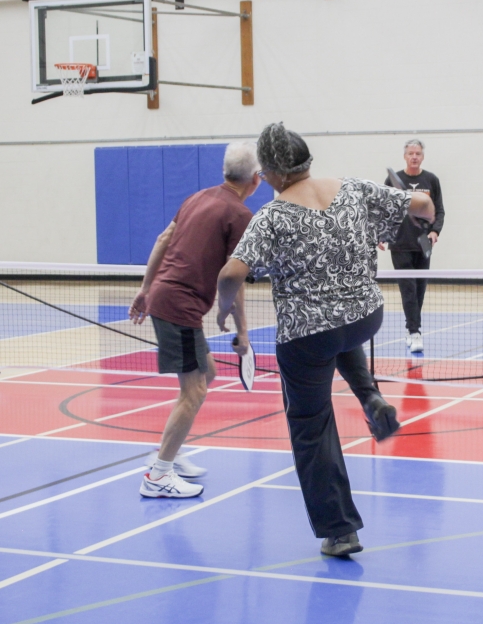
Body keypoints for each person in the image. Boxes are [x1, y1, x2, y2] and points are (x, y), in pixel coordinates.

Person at [217, 123, 435, 557]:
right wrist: (423, 223)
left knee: (311, 428)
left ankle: (340, 531)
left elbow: (230, 274)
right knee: (338, 329)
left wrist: (223, 308)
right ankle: (371, 398)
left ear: (275, 173)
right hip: (364, 317)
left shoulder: (273, 216)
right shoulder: (352, 188)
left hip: (306, 335)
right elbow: (424, 203)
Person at [129, 142, 261, 499]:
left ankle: (168, 451)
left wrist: (145, 288)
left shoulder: (196, 197)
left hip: (165, 298)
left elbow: (162, 239)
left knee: (208, 372)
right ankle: (158, 475)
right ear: (256, 180)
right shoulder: (240, 215)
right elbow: (233, 277)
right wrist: (242, 331)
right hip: (179, 307)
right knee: (195, 390)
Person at [380, 139, 445, 353]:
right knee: (407, 288)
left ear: (422, 156)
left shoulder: (431, 180)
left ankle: (412, 329)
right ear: (405, 156)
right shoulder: (393, 181)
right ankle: (415, 332)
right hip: (399, 243)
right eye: (411, 153)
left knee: (419, 289)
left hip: (423, 243)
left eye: (418, 153)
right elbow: (383, 211)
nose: (414, 157)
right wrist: (379, 234)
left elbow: (440, 211)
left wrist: (435, 231)